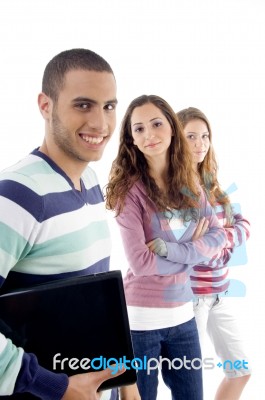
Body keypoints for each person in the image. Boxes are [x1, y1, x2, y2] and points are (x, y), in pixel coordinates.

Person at [0, 48, 127, 400]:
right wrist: (57, 387)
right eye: (83, 105)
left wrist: (123, 372)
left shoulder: (90, 181)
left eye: (109, 106)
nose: (101, 124)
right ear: (46, 105)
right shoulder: (18, 194)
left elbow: (91, 296)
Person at [105, 95, 228, 400]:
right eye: (139, 129)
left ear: (172, 128)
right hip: (140, 323)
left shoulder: (189, 182)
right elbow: (141, 263)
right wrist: (193, 254)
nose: (149, 135)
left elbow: (218, 236)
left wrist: (170, 251)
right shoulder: (129, 192)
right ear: (131, 139)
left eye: (157, 124)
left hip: (184, 319)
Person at [176, 106, 251, 400]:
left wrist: (222, 238)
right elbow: (195, 252)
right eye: (191, 136)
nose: (200, 143)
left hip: (219, 294)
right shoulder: (177, 189)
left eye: (205, 136)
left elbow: (243, 224)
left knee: (241, 370)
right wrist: (222, 243)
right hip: (192, 298)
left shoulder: (212, 184)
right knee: (189, 382)